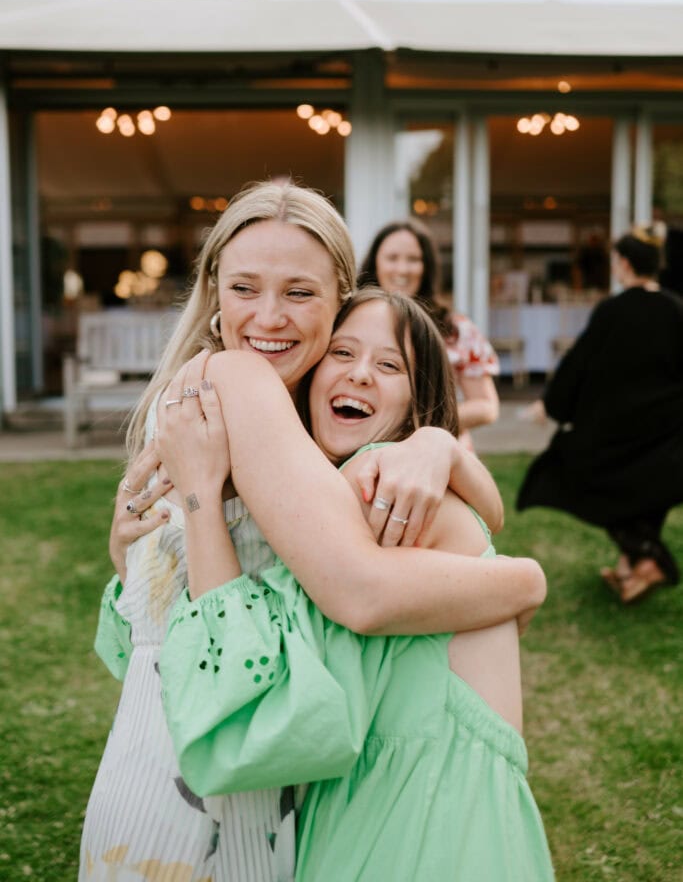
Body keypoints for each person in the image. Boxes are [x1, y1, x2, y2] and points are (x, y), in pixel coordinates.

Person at [82, 180, 545, 882]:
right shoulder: (238, 380)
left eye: (298, 293)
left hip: (192, 767)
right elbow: (360, 591)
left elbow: (136, 626)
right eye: (244, 287)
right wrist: (524, 579)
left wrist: (438, 447)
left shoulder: (224, 405)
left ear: (340, 297)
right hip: (208, 793)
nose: (269, 316)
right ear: (213, 291)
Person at [517, 224, 683, 603]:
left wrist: (552, 404)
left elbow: (580, 364)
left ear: (623, 263)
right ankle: (632, 569)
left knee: (602, 486)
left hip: (620, 431)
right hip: (664, 432)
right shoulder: (676, 309)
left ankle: (653, 563)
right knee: (646, 495)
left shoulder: (614, 310)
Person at [358, 218, 500, 450]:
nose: (402, 268)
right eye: (392, 258)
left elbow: (486, 406)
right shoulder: (351, 320)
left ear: (427, 266)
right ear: (375, 263)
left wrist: (419, 427)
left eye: (413, 259)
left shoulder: (455, 328)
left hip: (437, 452)